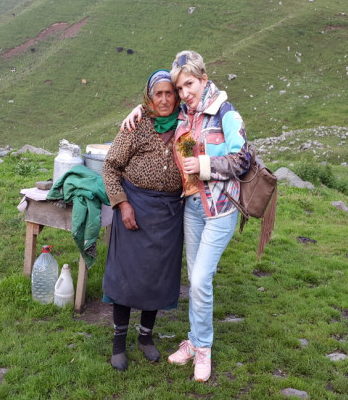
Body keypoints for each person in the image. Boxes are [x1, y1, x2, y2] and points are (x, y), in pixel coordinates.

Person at [122, 50, 250, 382]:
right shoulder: (185, 112)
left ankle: (203, 349)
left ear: (204, 79)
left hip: (220, 209)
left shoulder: (226, 113)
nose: (184, 93)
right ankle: (193, 341)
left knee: (201, 279)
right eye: (180, 88)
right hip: (192, 208)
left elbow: (242, 160)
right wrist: (138, 109)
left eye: (189, 84)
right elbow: (158, 104)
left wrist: (204, 165)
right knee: (195, 281)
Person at [101, 69, 185, 371]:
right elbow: (110, 167)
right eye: (157, 94)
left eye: (168, 93)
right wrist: (122, 204)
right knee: (127, 277)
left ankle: (146, 338)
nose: (163, 100)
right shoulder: (135, 125)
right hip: (134, 209)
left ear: (176, 96)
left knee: (157, 278)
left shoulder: (186, 126)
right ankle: (118, 343)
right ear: (149, 97)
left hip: (169, 214)